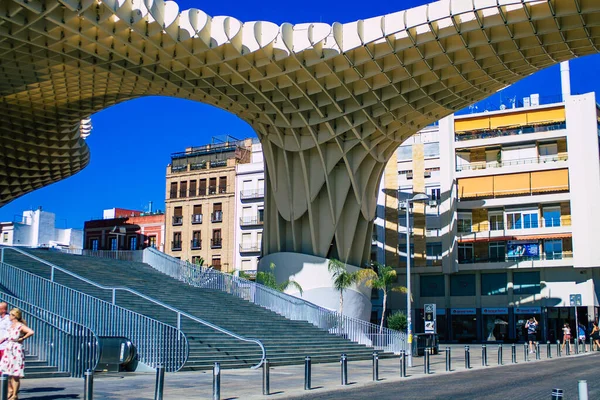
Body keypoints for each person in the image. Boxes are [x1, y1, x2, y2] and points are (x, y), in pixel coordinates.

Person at [0, 308, 34, 400]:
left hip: (16, 349)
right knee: (5, 371)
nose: (9, 316)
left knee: (15, 373)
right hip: (8, 348)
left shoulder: (20, 326)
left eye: (11, 315)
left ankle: (14, 394)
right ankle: (10, 390)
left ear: (14, 316)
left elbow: (31, 332)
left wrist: (22, 338)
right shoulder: (11, 326)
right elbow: (5, 337)